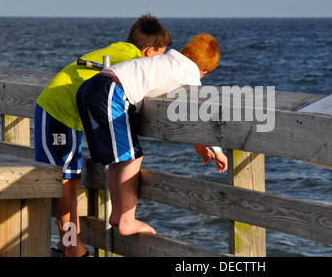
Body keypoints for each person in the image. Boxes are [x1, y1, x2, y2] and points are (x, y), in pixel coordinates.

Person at [35, 13, 172, 257]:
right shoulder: (131, 60)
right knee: (65, 182)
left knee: (69, 180)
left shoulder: (121, 50)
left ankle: (67, 244)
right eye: (160, 57)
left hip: (65, 112)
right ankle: (73, 249)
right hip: (56, 111)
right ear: (149, 52)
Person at [76, 33, 228, 236]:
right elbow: (195, 114)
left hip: (92, 87)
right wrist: (216, 149)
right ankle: (127, 219)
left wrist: (199, 145)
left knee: (117, 159)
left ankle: (117, 214)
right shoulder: (191, 72)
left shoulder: (169, 60)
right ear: (204, 71)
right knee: (133, 158)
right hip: (112, 90)